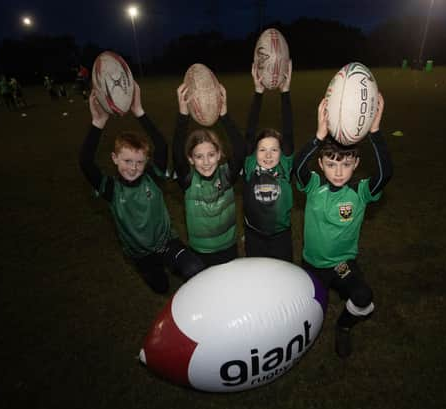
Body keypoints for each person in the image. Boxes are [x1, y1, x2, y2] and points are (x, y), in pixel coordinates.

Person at [79, 83, 204, 294]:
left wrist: (139, 111)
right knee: (161, 288)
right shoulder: (111, 188)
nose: (133, 167)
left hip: (166, 242)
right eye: (127, 161)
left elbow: (162, 146)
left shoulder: (152, 178)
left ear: (146, 161)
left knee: (195, 269)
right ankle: (157, 274)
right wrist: (98, 123)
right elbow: (85, 162)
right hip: (140, 255)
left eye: (139, 161)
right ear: (114, 159)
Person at [294, 93, 393, 358]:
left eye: (346, 164)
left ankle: (344, 327)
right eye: (331, 164)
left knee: (363, 297)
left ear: (356, 163)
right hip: (313, 264)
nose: (338, 172)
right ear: (321, 164)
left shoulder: (360, 192)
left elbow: (385, 174)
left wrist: (375, 131)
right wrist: (318, 136)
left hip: (342, 264)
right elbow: (297, 169)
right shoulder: (313, 186)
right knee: (305, 311)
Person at [173, 83, 246, 268]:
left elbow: (240, 149)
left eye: (211, 155)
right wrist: (183, 116)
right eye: (199, 156)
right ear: (190, 159)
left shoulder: (226, 175)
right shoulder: (188, 180)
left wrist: (224, 115)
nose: (206, 162)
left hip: (228, 247)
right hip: (201, 252)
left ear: (219, 154)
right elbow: (175, 153)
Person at [242, 61, 294, 261]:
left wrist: (285, 92)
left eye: (274, 149)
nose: (268, 154)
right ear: (254, 152)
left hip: (281, 237)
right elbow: (249, 133)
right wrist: (258, 92)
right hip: (254, 236)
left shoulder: (285, 166)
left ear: (282, 153)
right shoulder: (250, 167)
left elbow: (288, 131)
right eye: (262, 149)